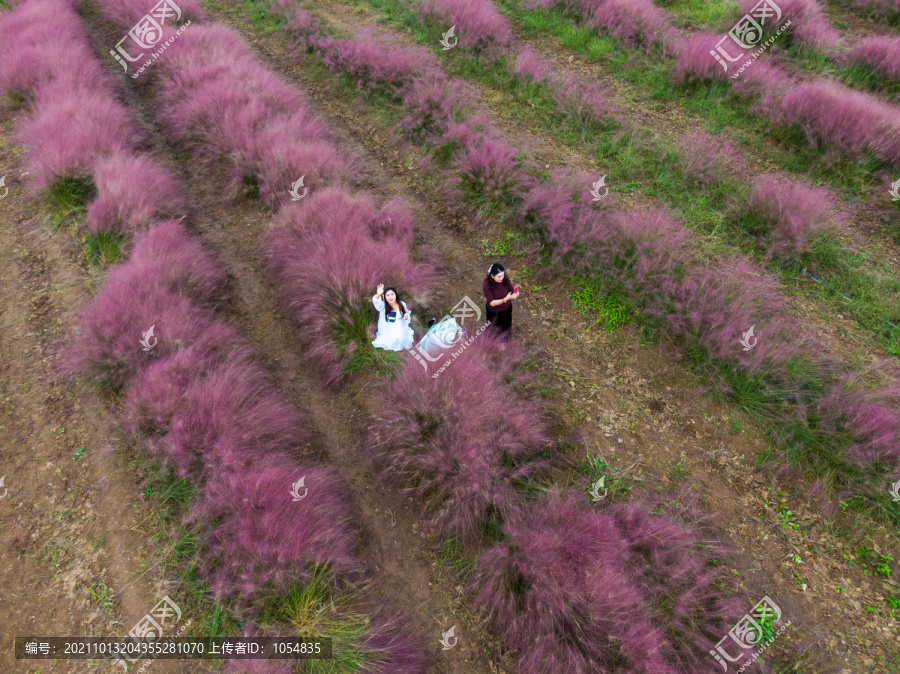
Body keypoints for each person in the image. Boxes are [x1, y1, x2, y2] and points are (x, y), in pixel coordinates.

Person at [372, 283, 414, 351]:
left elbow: (406, 313)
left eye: (392, 294)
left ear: (395, 295)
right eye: (388, 295)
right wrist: (378, 295)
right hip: (387, 328)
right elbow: (377, 304)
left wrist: (406, 316)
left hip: (400, 327)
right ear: (385, 297)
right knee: (393, 340)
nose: (390, 297)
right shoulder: (383, 306)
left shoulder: (401, 304)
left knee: (400, 339)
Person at [483, 263, 518, 338]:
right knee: (493, 326)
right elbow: (492, 303)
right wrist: (505, 299)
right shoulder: (487, 285)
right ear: (492, 276)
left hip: (506, 309)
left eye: (503, 275)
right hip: (493, 311)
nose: (501, 278)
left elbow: (512, 290)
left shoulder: (505, 280)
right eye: (499, 276)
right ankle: (492, 341)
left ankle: (504, 341)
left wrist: (516, 293)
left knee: (506, 326)